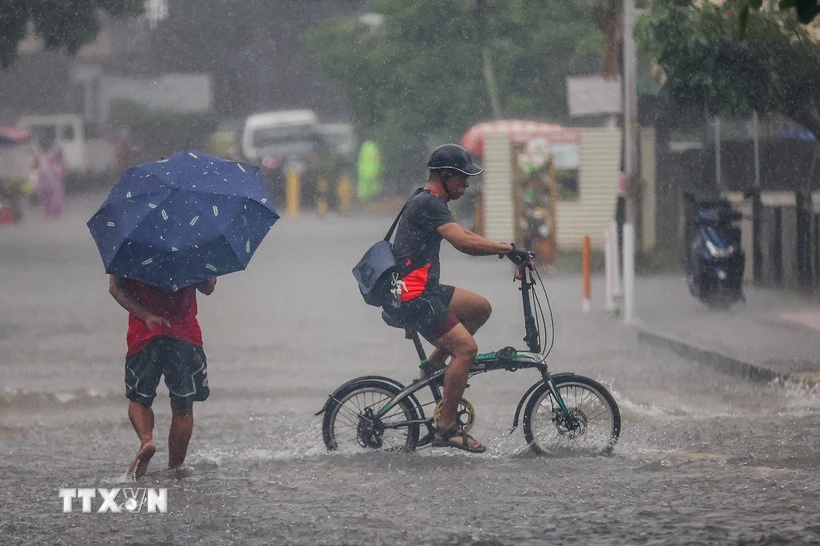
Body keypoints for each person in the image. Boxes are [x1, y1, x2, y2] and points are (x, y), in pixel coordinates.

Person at [384, 144, 531, 453]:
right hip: (415, 296)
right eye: (463, 179)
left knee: (480, 308)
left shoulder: (427, 200)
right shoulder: (430, 203)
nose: (466, 186)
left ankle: (434, 367)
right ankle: (446, 427)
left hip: (421, 288)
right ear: (446, 176)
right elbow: (464, 242)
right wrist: (507, 250)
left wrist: (506, 249)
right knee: (466, 349)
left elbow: (467, 237)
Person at [108, 275, 217, 479]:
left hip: (144, 333)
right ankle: (175, 468)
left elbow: (115, 288)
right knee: (183, 406)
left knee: (139, 399)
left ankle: (146, 439)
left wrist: (146, 315)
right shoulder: (192, 245)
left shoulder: (131, 245)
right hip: (183, 336)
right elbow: (207, 288)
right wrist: (208, 271)